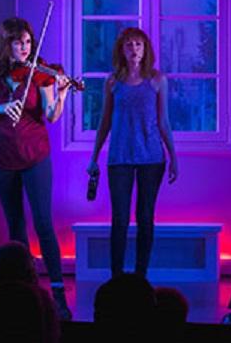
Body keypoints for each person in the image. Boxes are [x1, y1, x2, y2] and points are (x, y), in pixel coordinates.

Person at [0, 17, 72, 320]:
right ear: (6, 44)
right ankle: (27, 294)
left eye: (28, 42)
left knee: (43, 223)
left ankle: (58, 297)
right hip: (2, 158)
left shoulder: (40, 75)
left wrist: (62, 94)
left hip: (35, 156)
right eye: (18, 42)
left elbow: (51, 115)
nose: (25, 48)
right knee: (15, 226)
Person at [87, 27, 178, 277]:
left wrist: (173, 158)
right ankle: (116, 275)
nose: (134, 49)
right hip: (120, 156)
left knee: (145, 216)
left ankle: (140, 275)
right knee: (120, 218)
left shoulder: (157, 80)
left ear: (145, 49)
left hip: (151, 156)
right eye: (129, 45)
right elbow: (104, 120)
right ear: (122, 50)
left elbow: (164, 121)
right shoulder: (112, 81)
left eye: (138, 44)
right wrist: (94, 158)